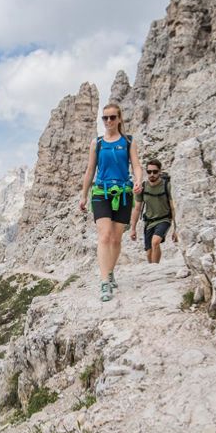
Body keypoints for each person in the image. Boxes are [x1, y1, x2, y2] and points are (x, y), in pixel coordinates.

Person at [79, 103, 143, 302]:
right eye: (105, 118)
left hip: (123, 193)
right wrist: (83, 195)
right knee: (105, 236)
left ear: (120, 118)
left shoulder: (128, 141)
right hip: (101, 193)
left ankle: (110, 270)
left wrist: (139, 180)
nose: (108, 121)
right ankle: (105, 281)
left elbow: (137, 166)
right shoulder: (96, 143)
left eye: (112, 117)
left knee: (116, 239)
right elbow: (90, 170)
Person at [130, 158, 178, 264]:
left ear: (160, 172)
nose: (152, 174)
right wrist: (133, 228)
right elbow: (137, 209)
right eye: (149, 172)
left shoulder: (167, 186)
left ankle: (155, 268)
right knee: (148, 253)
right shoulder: (142, 187)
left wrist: (176, 228)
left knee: (155, 242)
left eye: (155, 172)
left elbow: (173, 207)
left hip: (164, 219)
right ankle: (152, 266)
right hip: (149, 222)